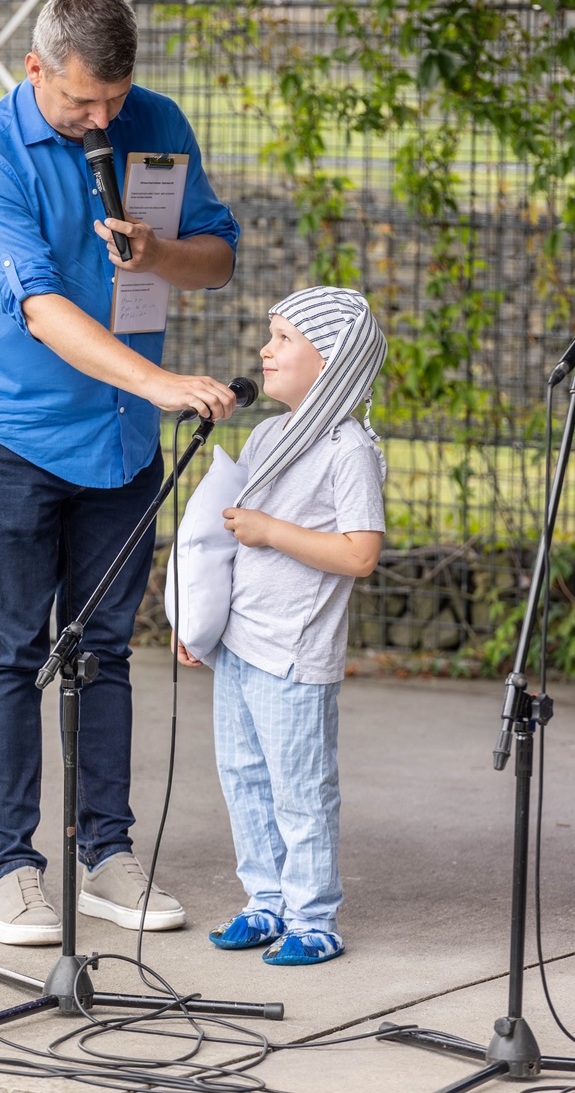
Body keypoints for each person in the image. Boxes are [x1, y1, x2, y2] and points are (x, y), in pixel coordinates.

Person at [0, 0, 240, 945]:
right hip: (17, 435)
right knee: (11, 650)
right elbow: (37, 306)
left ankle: (105, 853)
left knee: (104, 649)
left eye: (116, 98)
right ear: (34, 69)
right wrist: (156, 381)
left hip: (119, 442)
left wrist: (161, 251)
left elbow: (218, 257)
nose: (104, 120)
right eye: (83, 102)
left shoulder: (154, 119)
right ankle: (12, 871)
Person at [176, 286, 387, 965]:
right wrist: (201, 621)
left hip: (294, 654)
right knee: (243, 777)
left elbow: (360, 553)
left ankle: (314, 916)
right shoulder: (268, 435)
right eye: (270, 335)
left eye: (285, 338)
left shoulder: (347, 450)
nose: (265, 350)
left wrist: (272, 530)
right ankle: (265, 902)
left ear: (332, 360)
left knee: (300, 788)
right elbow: (228, 544)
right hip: (240, 645)